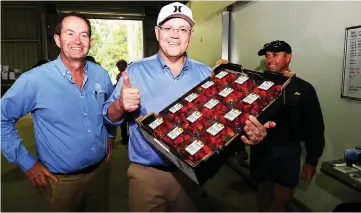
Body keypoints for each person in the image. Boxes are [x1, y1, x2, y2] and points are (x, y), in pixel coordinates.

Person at [102, 2, 276, 211]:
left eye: (183, 29)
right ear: (157, 33)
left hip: (191, 175)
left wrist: (250, 133)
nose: (175, 35)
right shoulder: (135, 72)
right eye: (168, 28)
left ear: (190, 36)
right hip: (147, 176)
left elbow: (222, 122)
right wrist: (120, 105)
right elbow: (108, 117)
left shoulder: (207, 75)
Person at [1, 12, 115, 211]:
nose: (77, 41)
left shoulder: (101, 75)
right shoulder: (35, 80)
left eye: (84, 35)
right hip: (60, 183)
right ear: (57, 39)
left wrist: (111, 137)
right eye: (69, 34)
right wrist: (27, 162)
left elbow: (110, 111)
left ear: (91, 41)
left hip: (100, 174)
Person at [250, 40, 325, 211]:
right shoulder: (256, 85)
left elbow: (315, 126)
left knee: (283, 197)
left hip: (288, 151)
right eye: (267, 56)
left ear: (288, 57)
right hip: (261, 149)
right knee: (263, 191)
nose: (270, 60)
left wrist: (311, 160)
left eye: (275, 55)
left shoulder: (304, 89)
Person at [115, 59, 129, 145]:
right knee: (123, 122)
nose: (118, 69)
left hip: (129, 99)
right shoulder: (118, 76)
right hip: (122, 100)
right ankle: (124, 139)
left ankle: (129, 139)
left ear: (124, 66)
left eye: (119, 67)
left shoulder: (129, 74)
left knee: (130, 122)